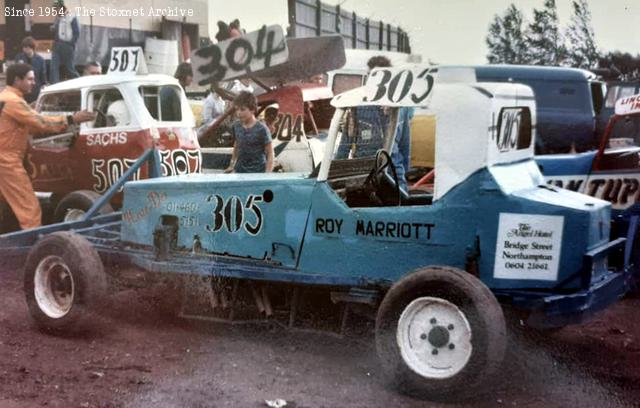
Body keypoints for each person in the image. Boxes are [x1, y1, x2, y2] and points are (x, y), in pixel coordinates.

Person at [0, 63, 95, 230]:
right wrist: (72, 119)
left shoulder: (7, 98)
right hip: (7, 160)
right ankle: (36, 243)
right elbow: (40, 122)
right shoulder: (13, 101)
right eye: (30, 79)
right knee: (29, 207)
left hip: (6, 157)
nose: (33, 82)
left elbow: (27, 120)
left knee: (6, 205)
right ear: (17, 80)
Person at [225, 92, 274, 173]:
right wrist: (231, 165)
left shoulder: (262, 129)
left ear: (252, 109)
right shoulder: (236, 126)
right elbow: (236, 145)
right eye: (237, 109)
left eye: (242, 109)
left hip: (258, 172)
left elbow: (270, 153)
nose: (238, 113)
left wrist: (267, 175)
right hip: (239, 172)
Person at [50, 0, 80, 83]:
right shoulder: (57, 18)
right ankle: (55, 86)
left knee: (70, 68)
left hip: (67, 45)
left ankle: (78, 82)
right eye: (54, 8)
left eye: (56, 8)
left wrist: (70, 44)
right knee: (54, 67)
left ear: (62, 7)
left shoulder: (71, 17)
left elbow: (76, 33)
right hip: (57, 45)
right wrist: (53, 28)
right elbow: (56, 31)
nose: (55, 10)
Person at [14, 37, 47, 103]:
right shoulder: (19, 57)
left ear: (32, 48)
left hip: (35, 87)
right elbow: (15, 72)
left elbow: (43, 74)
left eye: (28, 47)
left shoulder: (40, 59)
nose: (26, 49)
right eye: (24, 47)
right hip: (22, 88)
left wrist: (44, 84)